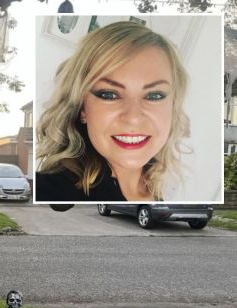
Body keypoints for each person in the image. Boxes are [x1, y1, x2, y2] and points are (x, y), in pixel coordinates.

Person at [35, 21, 190, 202]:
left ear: (172, 106)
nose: (133, 118)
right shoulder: (52, 192)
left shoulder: (158, 184)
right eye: (109, 94)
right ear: (83, 108)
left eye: (154, 95)